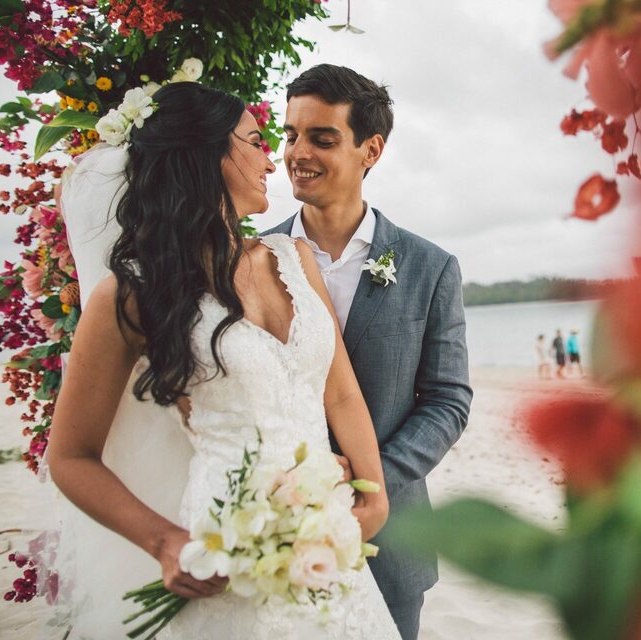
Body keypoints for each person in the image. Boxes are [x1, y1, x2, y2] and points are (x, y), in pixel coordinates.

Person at [46, 82, 400, 638]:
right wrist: (165, 542)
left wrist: (372, 499)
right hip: (223, 551)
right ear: (206, 152)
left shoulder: (294, 257)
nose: (271, 159)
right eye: (258, 141)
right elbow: (70, 456)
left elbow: (339, 393)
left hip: (325, 538)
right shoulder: (133, 292)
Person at [265, 64, 472, 640]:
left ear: (370, 150)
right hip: (272, 527)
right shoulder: (252, 260)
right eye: (289, 134)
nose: (296, 153)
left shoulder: (431, 267)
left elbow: (448, 402)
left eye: (321, 138)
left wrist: (368, 480)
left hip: (390, 536)